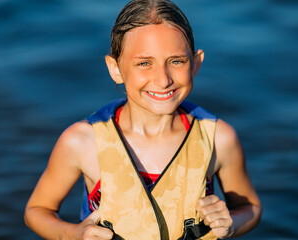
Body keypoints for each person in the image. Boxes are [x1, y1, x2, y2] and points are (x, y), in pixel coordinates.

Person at [24, 0, 262, 239]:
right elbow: (37, 210)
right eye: (144, 63)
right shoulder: (83, 141)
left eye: (176, 61)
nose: (162, 80)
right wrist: (74, 234)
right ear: (116, 68)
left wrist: (231, 224)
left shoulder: (218, 138)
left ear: (196, 63)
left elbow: (251, 208)